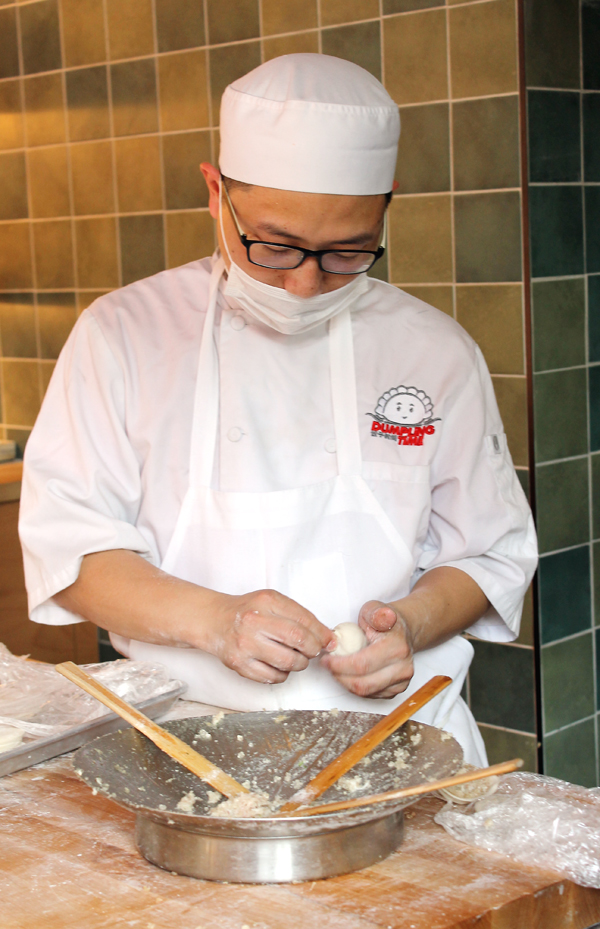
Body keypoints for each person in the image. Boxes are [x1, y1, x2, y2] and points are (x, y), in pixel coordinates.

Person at [19, 54, 537, 766]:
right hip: (185, 751)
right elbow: (70, 552)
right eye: (274, 246)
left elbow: (487, 551)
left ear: (385, 207)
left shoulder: (434, 350)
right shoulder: (123, 336)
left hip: (405, 742)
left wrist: (411, 626)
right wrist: (215, 620)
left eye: (347, 253)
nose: (303, 286)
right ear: (215, 193)